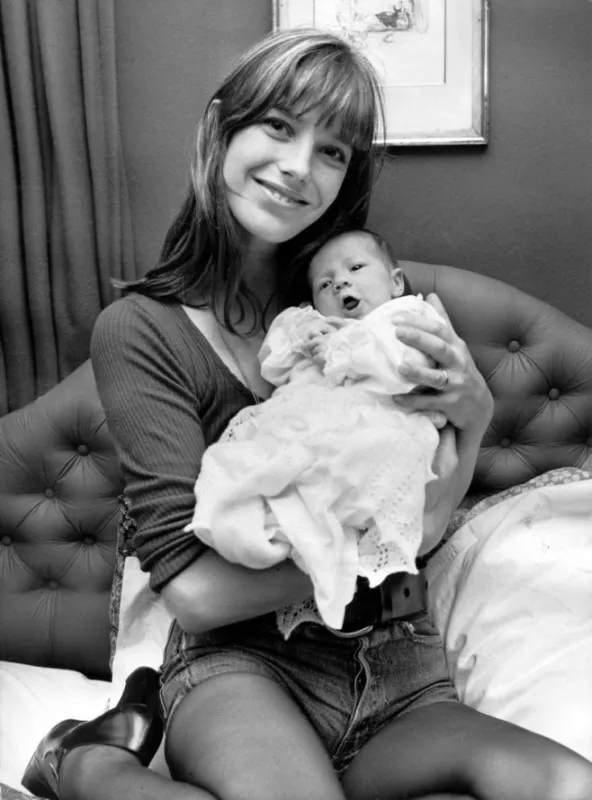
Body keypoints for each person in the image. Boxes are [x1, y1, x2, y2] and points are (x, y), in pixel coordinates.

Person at [22, 26, 592, 800]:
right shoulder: (143, 331)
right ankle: (87, 765)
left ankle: (91, 765)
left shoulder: (360, 299)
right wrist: (381, 548)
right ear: (223, 128)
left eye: (333, 150)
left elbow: (426, 493)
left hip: (396, 662)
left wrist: (478, 408)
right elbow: (195, 593)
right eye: (279, 127)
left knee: (566, 782)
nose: (299, 168)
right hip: (241, 664)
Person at [185, 228, 448, 631]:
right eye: (326, 283)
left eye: (356, 268)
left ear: (395, 282)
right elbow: (273, 365)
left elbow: (409, 368)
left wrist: (344, 351)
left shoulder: (406, 317)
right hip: (306, 421)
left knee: (352, 471)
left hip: (378, 421)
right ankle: (255, 527)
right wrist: (305, 340)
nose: (341, 281)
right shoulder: (317, 326)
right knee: (244, 460)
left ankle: (319, 543)